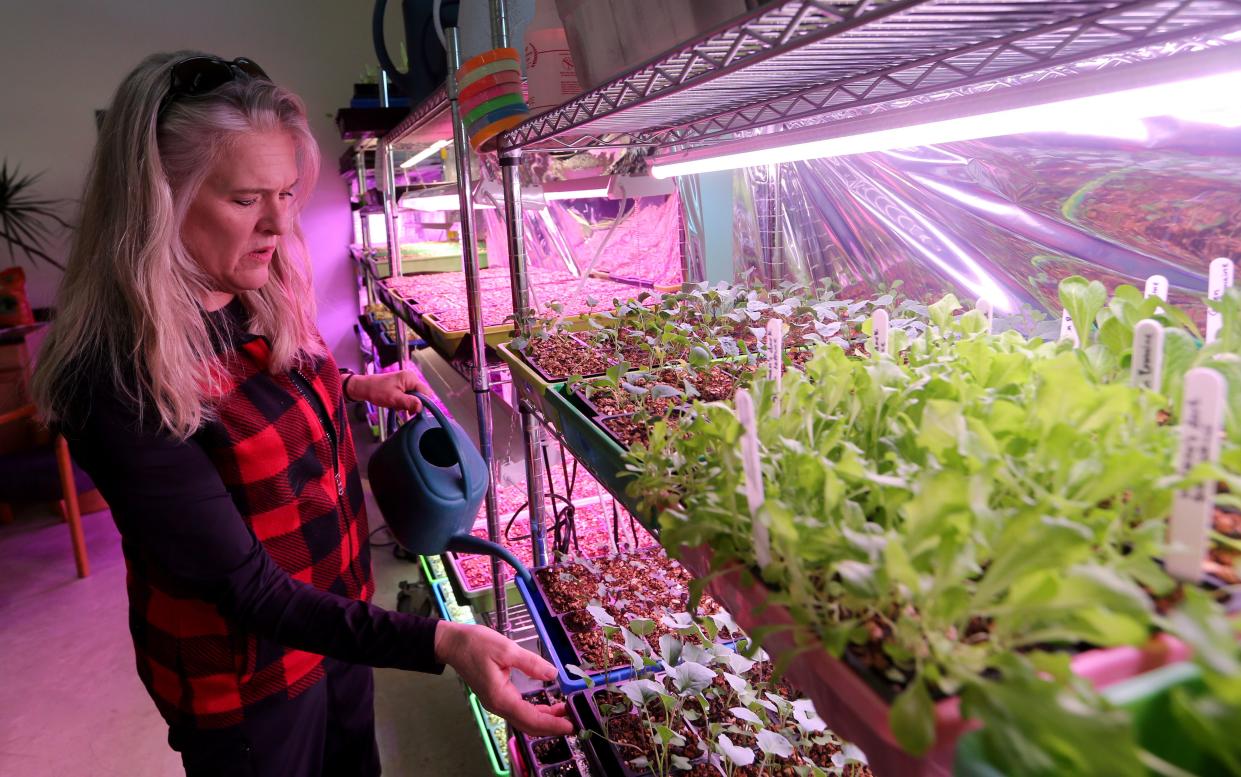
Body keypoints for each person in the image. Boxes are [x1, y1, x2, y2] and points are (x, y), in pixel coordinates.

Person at [31, 51, 573, 776]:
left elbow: (249, 391)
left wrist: (349, 387)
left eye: (287, 193)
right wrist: (440, 641)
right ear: (157, 199)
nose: (279, 225)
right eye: (245, 198)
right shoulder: (115, 378)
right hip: (248, 680)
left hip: (333, 625)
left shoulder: (249, 287)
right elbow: (246, 587)